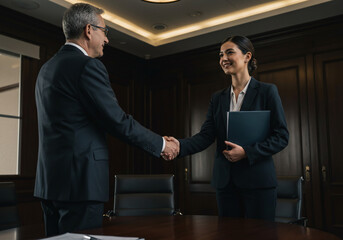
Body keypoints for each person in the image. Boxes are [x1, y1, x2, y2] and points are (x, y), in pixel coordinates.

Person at [34, 3, 179, 236]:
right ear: (89, 30)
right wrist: (162, 144)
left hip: (49, 184)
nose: (107, 40)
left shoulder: (46, 69)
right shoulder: (87, 66)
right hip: (81, 185)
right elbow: (117, 121)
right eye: (105, 31)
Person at [164, 36, 289, 221]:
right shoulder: (218, 98)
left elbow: (281, 136)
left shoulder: (267, 91)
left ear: (247, 56)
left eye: (230, 52)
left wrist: (246, 152)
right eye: (221, 54)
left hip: (258, 182)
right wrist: (179, 146)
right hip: (226, 183)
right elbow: (206, 135)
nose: (223, 58)